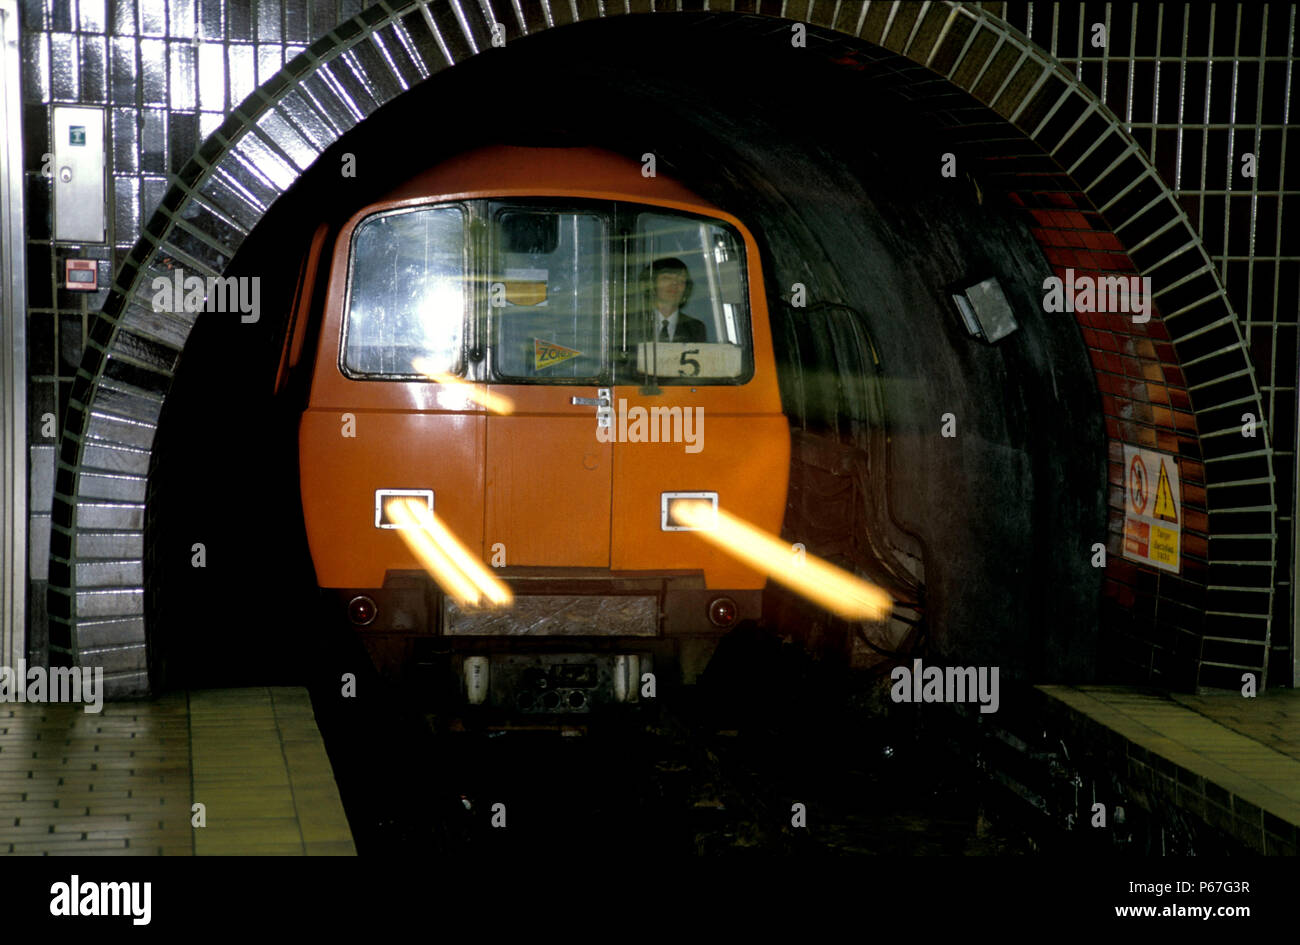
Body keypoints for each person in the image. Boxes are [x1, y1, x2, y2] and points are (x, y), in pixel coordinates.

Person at [639, 257, 709, 344]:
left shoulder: (696, 328)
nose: (674, 284)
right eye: (667, 278)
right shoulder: (629, 324)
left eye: (681, 280)